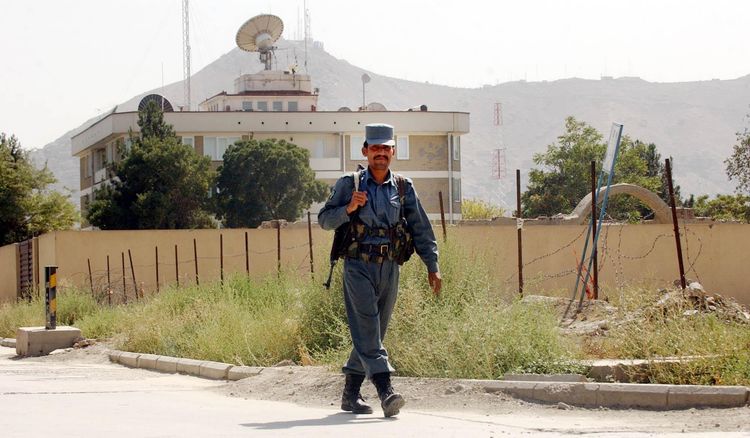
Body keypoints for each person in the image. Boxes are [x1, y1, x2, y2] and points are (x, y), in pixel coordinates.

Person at [318, 123, 442, 417]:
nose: (381, 153)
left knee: (373, 332)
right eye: (375, 148)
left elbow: (421, 228)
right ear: (365, 151)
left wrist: (432, 265)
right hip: (358, 266)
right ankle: (386, 390)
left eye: (386, 148)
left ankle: (350, 395)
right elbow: (324, 220)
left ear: (393, 152)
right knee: (369, 329)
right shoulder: (350, 184)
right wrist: (348, 208)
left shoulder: (403, 186)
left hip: (390, 267)